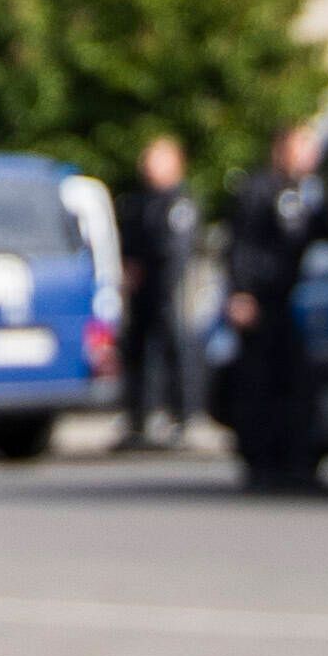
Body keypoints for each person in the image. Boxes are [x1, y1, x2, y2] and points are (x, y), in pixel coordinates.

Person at [221, 123, 328, 489]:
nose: (310, 155)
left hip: (286, 303)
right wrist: (239, 294)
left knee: (295, 383)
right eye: (303, 147)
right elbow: (239, 245)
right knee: (258, 385)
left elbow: (327, 231)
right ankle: (260, 465)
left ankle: (296, 462)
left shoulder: (305, 194)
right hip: (258, 303)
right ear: (281, 149)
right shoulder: (258, 190)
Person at [115, 133, 204, 450]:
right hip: (143, 291)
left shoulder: (179, 202)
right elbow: (131, 246)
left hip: (169, 290)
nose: (148, 166)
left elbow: (177, 251)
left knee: (174, 347)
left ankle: (182, 417)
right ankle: (138, 419)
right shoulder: (140, 202)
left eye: (157, 159)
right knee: (137, 350)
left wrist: (165, 285)